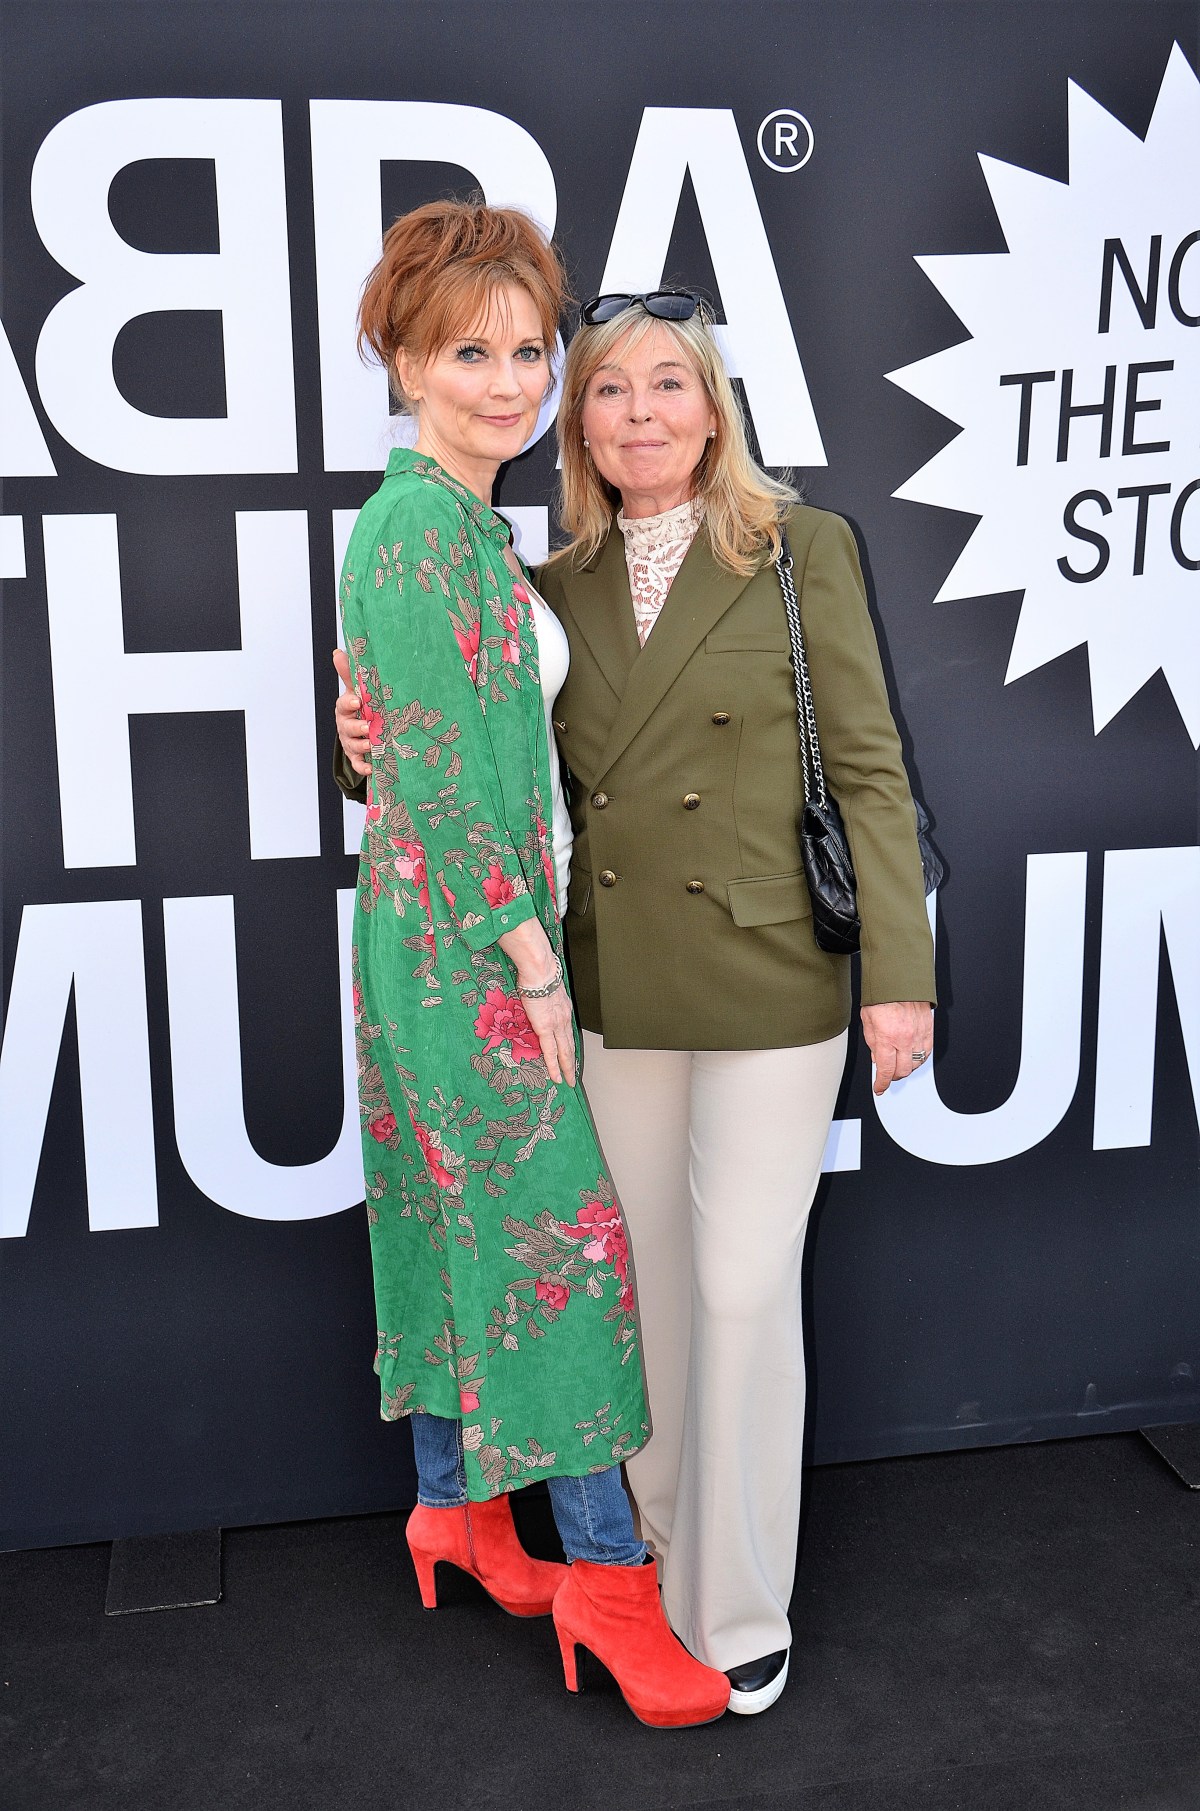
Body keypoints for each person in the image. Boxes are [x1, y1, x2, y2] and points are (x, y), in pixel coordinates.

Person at [336, 285, 936, 1715]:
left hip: (769, 976)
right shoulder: (539, 579)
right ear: (581, 427)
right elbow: (472, 754)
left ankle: (735, 1600)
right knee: (644, 1290)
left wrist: (899, 980)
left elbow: (868, 768)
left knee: (742, 1290)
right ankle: (648, 1567)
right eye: (608, 388)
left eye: (668, 383)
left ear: (714, 407)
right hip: (600, 983)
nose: (639, 412)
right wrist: (354, 739)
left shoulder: (802, 548)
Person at [336, 211, 729, 1730]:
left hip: (450, 931)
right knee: (565, 1255)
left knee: (453, 1219)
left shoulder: (459, 527)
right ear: (405, 363)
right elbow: (444, 777)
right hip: (470, 955)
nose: (509, 384)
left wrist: (363, 738)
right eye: (468, 353)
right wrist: (535, 970)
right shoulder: (413, 534)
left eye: (525, 351)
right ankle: (612, 1587)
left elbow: (417, 734)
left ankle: (456, 1511)